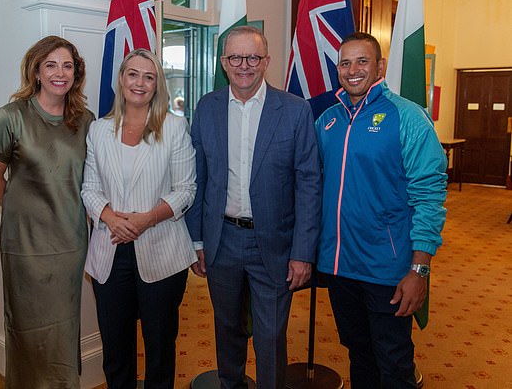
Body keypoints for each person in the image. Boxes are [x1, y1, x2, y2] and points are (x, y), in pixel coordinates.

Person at [186, 26, 322, 389]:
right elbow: (198, 178)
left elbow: (309, 185)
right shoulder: (207, 106)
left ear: (266, 61)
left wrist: (303, 253)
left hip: (275, 246)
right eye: (235, 57)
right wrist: (197, 241)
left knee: (270, 336)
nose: (243, 65)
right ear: (223, 62)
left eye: (252, 57)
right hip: (221, 241)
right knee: (227, 327)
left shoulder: (295, 110)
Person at [314, 32, 447, 389]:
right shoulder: (326, 121)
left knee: (393, 361)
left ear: (380, 67)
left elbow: (430, 195)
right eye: (345, 62)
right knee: (358, 353)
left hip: (387, 268)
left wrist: (419, 269)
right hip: (339, 266)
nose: (352, 70)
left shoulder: (407, 117)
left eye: (362, 61)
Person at [0, 35, 94, 389]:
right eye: (51, 65)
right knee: (26, 324)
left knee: (63, 324)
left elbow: (89, 180)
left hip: (70, 242)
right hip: (24, 245)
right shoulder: (10, 117)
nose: (60, 73)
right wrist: (23, 213)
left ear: (76, 73)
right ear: (37, 71)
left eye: (67, 65)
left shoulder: (85, 121)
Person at [81, 48, 196, 389]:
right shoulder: (98, 130)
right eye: (133, 74)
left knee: (160, 348)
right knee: (116, 350)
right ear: (121, 79)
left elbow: (186, 189)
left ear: (157, 84)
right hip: (110, 250)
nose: (140, 83)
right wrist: (110, 218)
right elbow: (89, 187)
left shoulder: (174, 127)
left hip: (162, 252)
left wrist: (146, 219)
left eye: (149, 77)